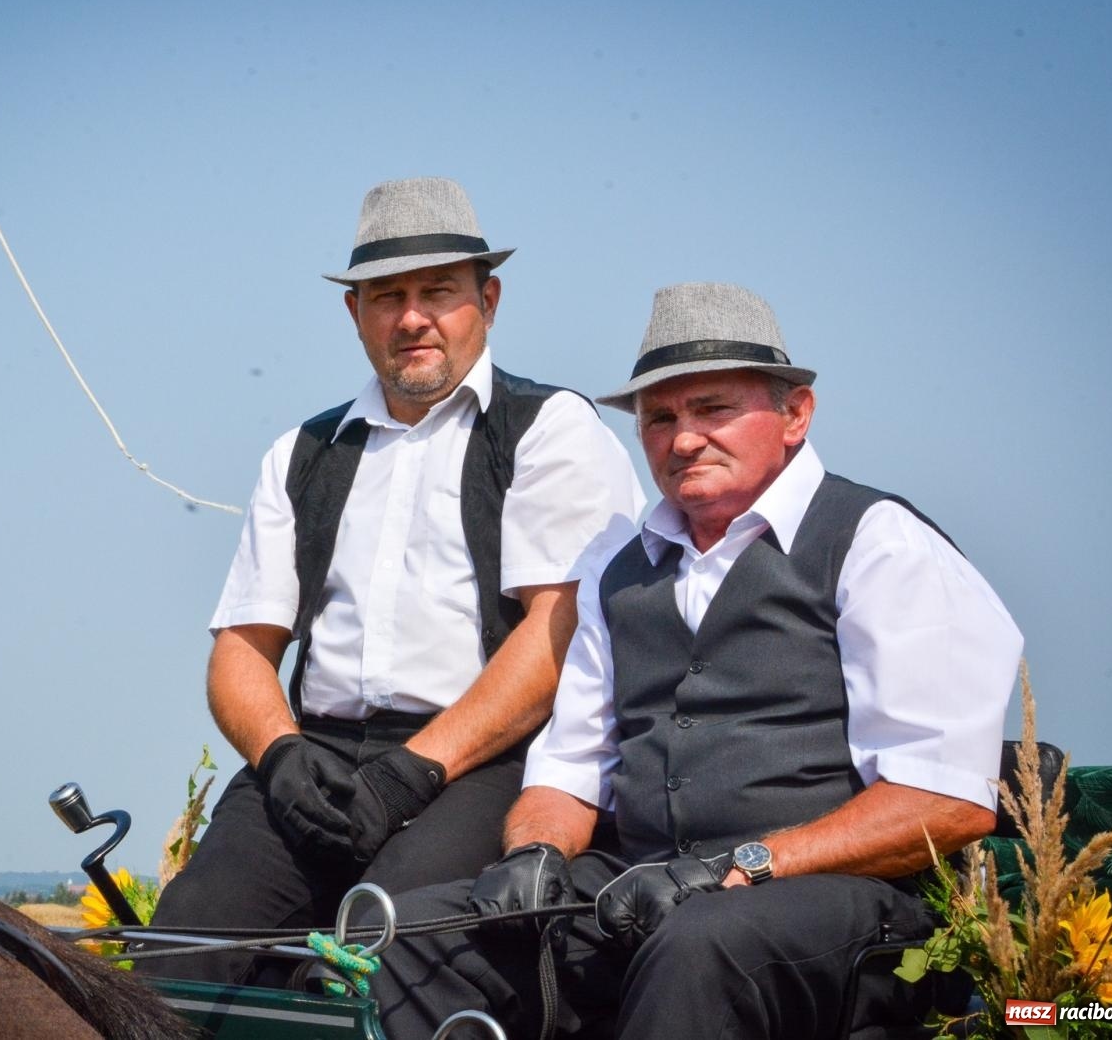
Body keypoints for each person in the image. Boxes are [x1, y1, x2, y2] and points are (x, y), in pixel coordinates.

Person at [368, 281, 1024, 1039]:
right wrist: (537, 851)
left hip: (842, 906)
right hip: (647, 888)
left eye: (713, 409)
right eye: (660, 418)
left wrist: (742, 864)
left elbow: (945, 800)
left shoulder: (881, 544)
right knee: (415, 940)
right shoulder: (613, 564)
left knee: (701, 945)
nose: (682, 441)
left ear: (795, 414)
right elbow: (572, 769)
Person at [140, 178, 644, 985]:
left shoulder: (549, 430)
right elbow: (241, 648)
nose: (413, 318)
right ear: (355, 313)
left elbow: (560, 633)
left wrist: (416, 769)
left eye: (438, 291)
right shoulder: (304, 453)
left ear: (489, 299)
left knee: (372, 964)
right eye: (387, 296)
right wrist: (279, 758)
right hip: (319, 757)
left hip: (482, 761)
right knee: (177, 959)